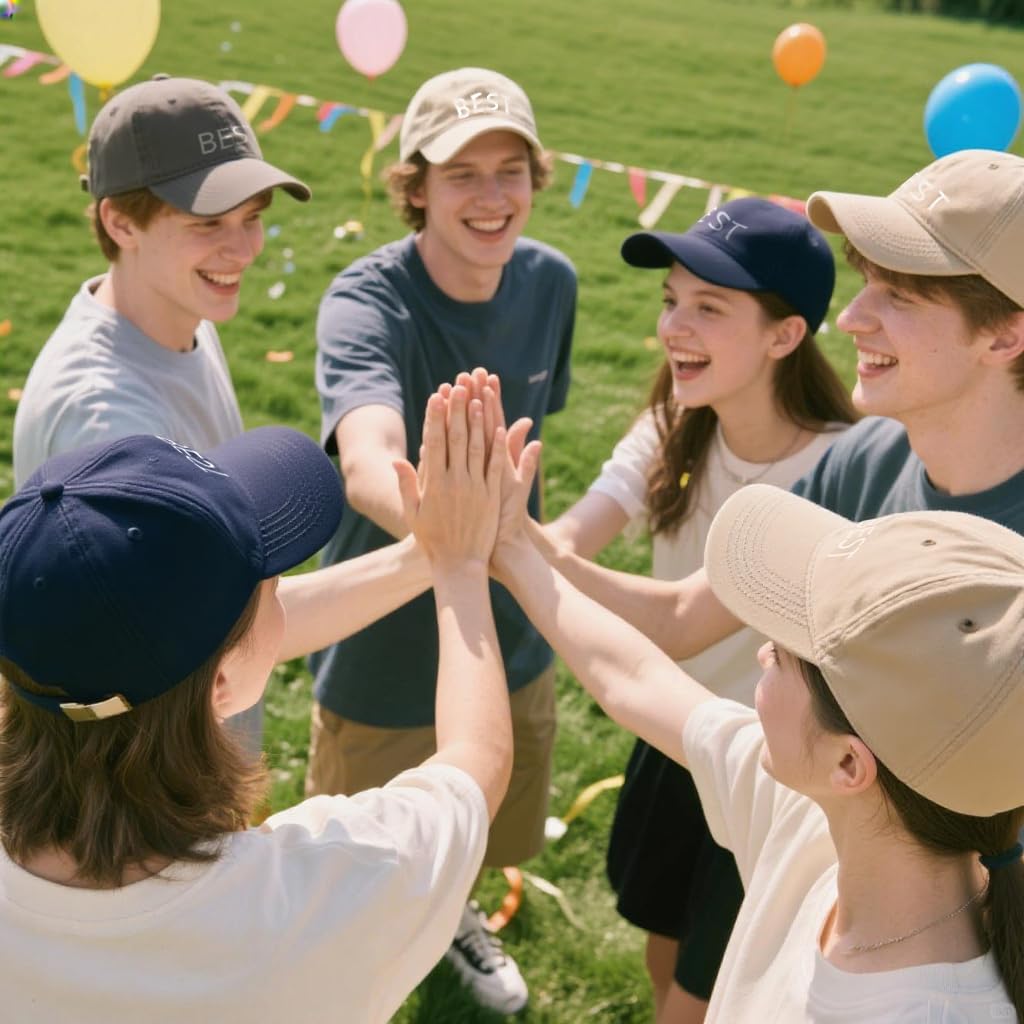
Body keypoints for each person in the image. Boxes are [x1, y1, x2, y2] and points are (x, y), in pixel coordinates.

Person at [0, 386, 522, 1023]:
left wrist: (427, 557)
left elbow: (184, 652)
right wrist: (463, 567)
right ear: (220, 685)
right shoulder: (322, 895)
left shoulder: (50, 665)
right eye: (272, 586)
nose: (283, 598)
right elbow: (479, 762)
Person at [489, 461, 1024, 1021]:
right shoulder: (824, 820)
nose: (762, 652)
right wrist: (513, 548)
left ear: (849, 763)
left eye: (787, 654)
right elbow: (635, 680)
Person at [543, 198, 857, 1023]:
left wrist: (522, 551)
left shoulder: (834, 473)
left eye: (709, 308)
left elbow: (683, 618)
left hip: (772, 759)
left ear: (785, 335)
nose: (675, 326)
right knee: (662, 946)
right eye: (671, 300)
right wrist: (521, 534)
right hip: (674, 731)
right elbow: (582, 524)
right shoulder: (677, 423)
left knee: (700, 996)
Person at [528, 148, 1024, 664]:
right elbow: (678, 623)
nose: (851, 318)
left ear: (1004, 335)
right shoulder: (866, 459)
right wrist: (507, 534)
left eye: (900, 295)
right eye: (867, 282)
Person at [310, 66, 576, 1013]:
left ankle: (455, 912)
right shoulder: (366, 298)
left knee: (485, 822)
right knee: (358, 871)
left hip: (511, 635)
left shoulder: (552, 283)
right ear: (414, 184)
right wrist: (446, 526)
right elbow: (367, 454)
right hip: (385, 643)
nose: (493, 197)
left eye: (512, 168)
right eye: (463, 173)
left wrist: (499, 549)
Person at [11, 74, 310, 753]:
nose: (243, 249)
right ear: (120, 221)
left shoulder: (180, 313)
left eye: (253, 216)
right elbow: (218, 639)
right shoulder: (108, 423)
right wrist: (438, 561)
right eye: (208, 224)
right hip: (148, 801)